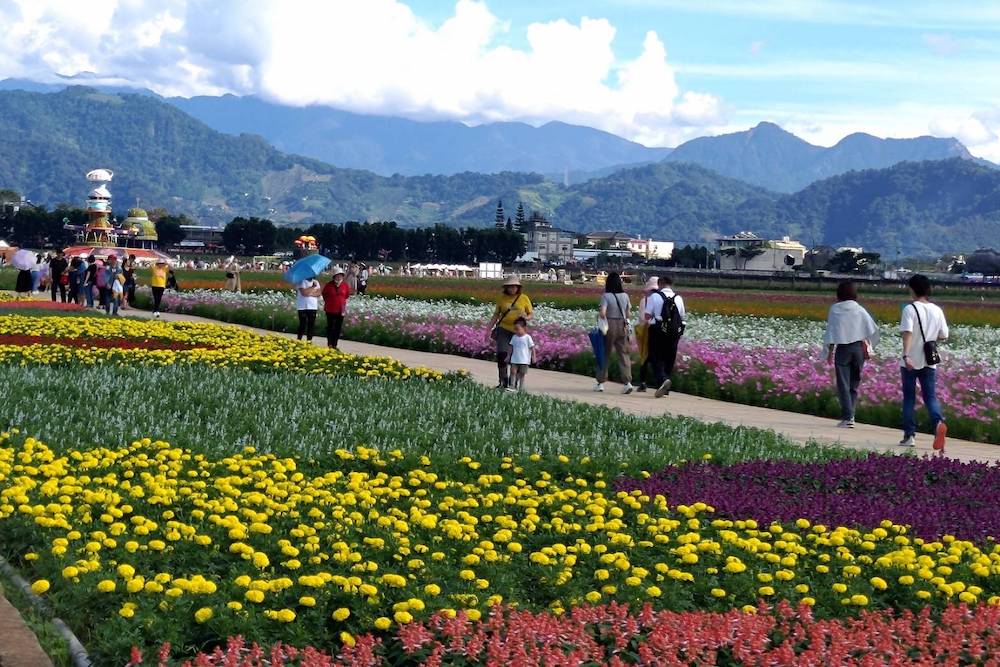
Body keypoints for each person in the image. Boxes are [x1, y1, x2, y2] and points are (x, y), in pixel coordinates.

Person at [899, 274, 949, 450]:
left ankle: (909, 436)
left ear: (913, 289)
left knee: (909, 399)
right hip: (929, 360)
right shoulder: (937, 310)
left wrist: (906, 355)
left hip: (911, 360)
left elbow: (908, 333)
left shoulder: (909, 309)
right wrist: (930, 337)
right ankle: (938, 424)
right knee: (930, 397)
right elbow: (943, 335)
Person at [823, 281, 880, 428]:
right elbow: (871, 329)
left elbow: (831, 331)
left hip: (843, 349)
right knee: (854, 384)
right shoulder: (859, 309)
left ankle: (848, 416)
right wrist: (870, 346)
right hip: (858, 349)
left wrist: (829, 352)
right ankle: (851, 415)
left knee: (843, 384)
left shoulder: (835, 309)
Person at [485, 277, 533, 389]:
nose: (512, 288)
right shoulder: (502, 299)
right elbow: (496, 315)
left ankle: (514, 383)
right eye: (510, 286)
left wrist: (525, 317)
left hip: (518, 333)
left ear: (518, 287)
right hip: (504, 330)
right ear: (506, 288)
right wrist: (488, 329)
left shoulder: (524, 298)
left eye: (515, 286)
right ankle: (503, 381)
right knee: (502, 355)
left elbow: (531, 314)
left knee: (516, 358)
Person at [644, 275, 686, 398]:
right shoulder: (678, 298)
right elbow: (682, 316)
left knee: (654, 356)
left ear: (660, 284)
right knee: (669, 357)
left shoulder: (654, 297)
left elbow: (647, 316)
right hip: (673, 332)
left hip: (657, 330)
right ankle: (665, 384)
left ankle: (662, 379)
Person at [595, 271, 633, 394]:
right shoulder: (625, 296)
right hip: (622, 325)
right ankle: (627, 382)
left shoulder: (606, 296)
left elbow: (602, 313)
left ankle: (600, 382)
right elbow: (628, 314)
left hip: (610, 325)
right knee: (623, 353)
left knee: (604, 353)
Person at [634, 277, 659, 392]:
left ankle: (643, 382)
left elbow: (642, 317)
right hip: (658, 331)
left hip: (646, 332)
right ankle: (659, 381)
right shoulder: (661, 300)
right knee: (657, 358)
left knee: (645, 357)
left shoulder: (645, 300)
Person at [322, 266, 350, 348]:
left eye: (340, 275)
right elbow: (324, 295)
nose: (338, 277)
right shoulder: (329, 285)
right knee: (330, 327)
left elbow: (346, 295)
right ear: (334, 276)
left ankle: (335, 344)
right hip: (330, 309)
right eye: (337, 275)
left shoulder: (345, 285)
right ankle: (330, 343)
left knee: (338, 328)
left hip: (341, 309)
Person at [508, 317, 536, 392]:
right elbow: (511, 347)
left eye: (518, 329)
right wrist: (508, 356)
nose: (516, 331)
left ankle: (521, 387)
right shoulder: (514, 337)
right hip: (515, 359)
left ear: (524, 328)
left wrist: (534, 357)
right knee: (513, 371)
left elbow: (532, 348)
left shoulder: (527, 337)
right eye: (515, 329)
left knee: (522, 374)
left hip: (524, 360)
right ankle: (512, 386)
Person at [296, 275, 321, 342]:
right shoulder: (301, 282)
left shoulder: (316, 282)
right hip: (302, 307)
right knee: (302, 324)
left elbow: (318, 293)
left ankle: (309, 340)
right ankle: (299, 339)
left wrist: (310, 293)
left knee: (311, 324)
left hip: (312, 306)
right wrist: (312, 287)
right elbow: (304, 293)